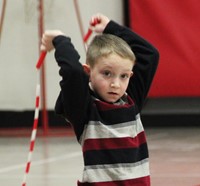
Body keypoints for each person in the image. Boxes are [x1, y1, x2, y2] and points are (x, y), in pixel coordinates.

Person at [41, 13, 159, 186]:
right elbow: (73, 71)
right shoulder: (85, 110)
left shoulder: (131, 101)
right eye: (107, 73)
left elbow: (150, 54)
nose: (115, 84)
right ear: (88, 72)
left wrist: (110, 27)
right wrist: (60, 39)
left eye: (124, 76)